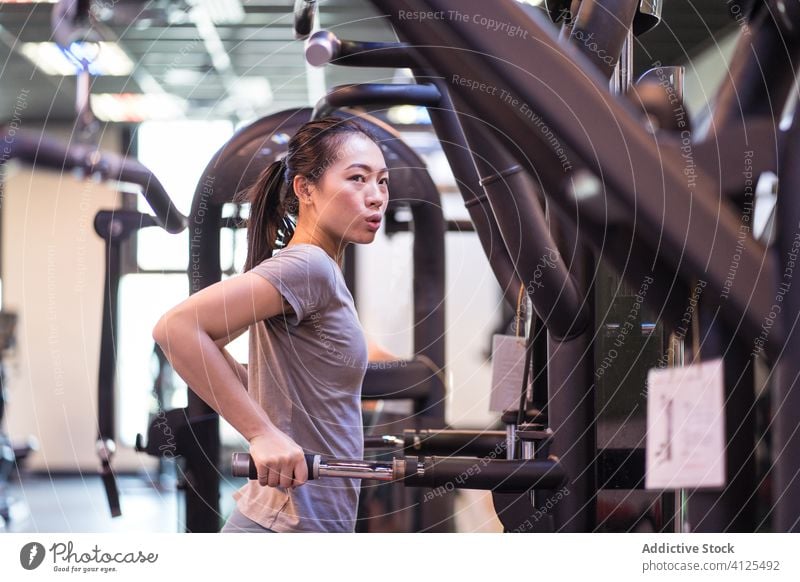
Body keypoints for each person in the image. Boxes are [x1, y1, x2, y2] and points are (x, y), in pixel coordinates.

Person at [152, 117, 395, 533]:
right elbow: (176, 329)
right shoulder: (308, 265)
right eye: (357, 178)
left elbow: (219, 348)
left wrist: (264, 395)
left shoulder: (320, 270)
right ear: (305, 189)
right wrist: (261, 433)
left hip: (302, 520)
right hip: (285, 527)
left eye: (382, 181)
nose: (375, 197)